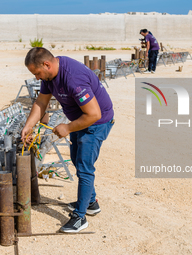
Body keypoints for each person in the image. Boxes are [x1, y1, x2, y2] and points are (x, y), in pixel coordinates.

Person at [22, 47, 114, 233]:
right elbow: (41, 102)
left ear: (47, 64)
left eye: (37, 73)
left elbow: (94, 114)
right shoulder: (50, 75)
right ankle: (90, 203)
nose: (37, 78)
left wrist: (68, 127)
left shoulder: (73, 78)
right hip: (80, 120)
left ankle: (80, 218)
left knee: (84, 168)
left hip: (96, 123)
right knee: (76, 160)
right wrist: (28, 125)